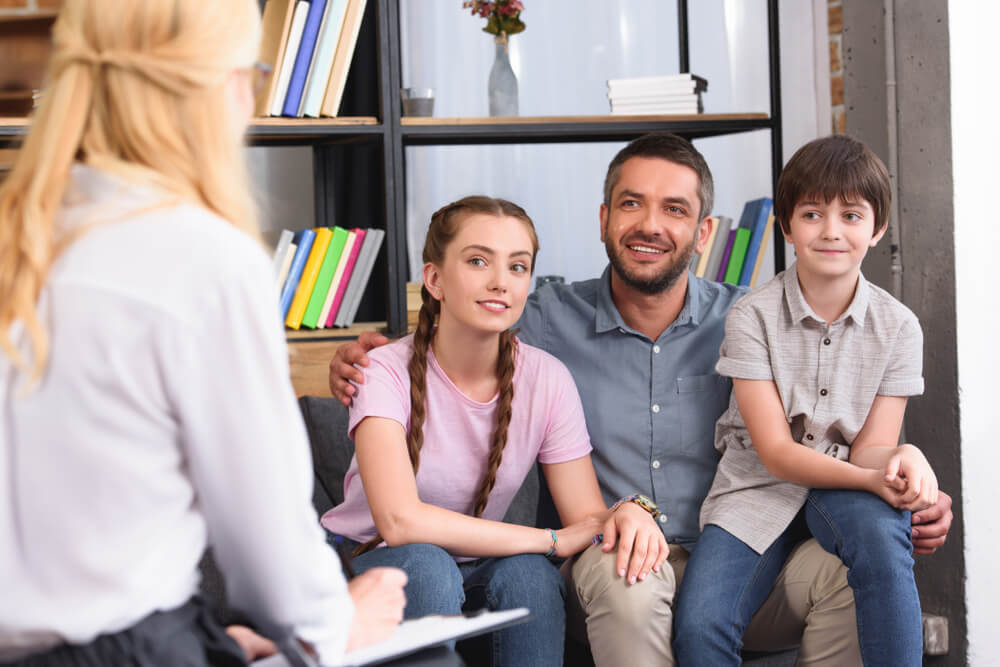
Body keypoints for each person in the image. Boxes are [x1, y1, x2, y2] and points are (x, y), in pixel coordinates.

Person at [328, 133, 954, 666]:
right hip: (613, 553)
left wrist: (907, 488)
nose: (651, 224)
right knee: (626, 576)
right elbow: (454, 332)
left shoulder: (751, 320)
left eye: (675, 209)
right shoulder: (544, 319)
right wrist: (363, 358)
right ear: (604, 219)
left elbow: (827, 427)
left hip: (739, 551)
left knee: (848, 574)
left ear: (703, 231)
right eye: (632, 204)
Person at [0, 1, 405, 665]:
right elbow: (269, 551)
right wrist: (339, 621)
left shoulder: (20, 239)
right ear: (210, 87)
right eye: (251, 73)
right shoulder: (203, 258)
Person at [319, 196, 668, 667]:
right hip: (365, 564)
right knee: (428, 564)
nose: (500, 282)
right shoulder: (381, 371)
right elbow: (400, 523)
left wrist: (626, 513)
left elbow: (584, 520)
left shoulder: (546, 378)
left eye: (518, 266)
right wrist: (548, 540)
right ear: (435, 279)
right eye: (478, 261)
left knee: (530, 576)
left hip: (472, 567)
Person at [673, 135, 933, 665]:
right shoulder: (751, 316)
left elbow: (872, 449)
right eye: (813, 214)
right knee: (700, 626)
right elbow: (775, 452)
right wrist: (873, 479)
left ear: (878, 228)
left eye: (852, 216)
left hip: (846, 482)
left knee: (885, 546)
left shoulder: (900, 328)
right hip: (757, 486)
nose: (832, 231)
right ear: (788, 226)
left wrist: (907, 458)